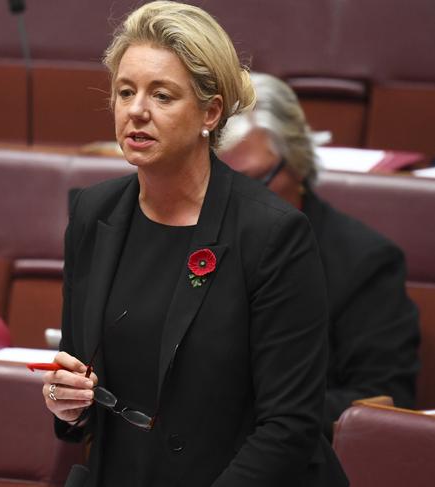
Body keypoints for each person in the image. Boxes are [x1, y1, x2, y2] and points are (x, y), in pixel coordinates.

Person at [41, 2, 348, 485]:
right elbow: (79, 379)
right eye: (125, 92)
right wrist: (67, 403)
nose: (136, 110)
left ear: (210, 111)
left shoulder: (271, 234)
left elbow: (289, 426)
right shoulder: (92, 213)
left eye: (162, 96)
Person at [220, 72, 420, 438]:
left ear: (297, 163)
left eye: (254, 181)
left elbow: (383, 402)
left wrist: (246, 411)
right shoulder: (182, 238)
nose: (235, 201)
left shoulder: (364, 263)